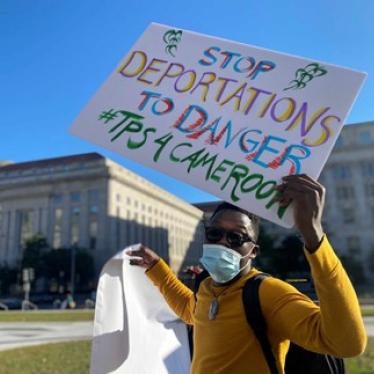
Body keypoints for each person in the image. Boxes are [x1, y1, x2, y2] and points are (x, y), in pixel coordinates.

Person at [128, 174, 367, 374]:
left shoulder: (268, 293)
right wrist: (157, 269)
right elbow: (191, 311)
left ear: (253, 252)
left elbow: (347, 342)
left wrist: (314, 238)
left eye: (236, 238)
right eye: (215, 234)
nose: (223, 243)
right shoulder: (207, 288)